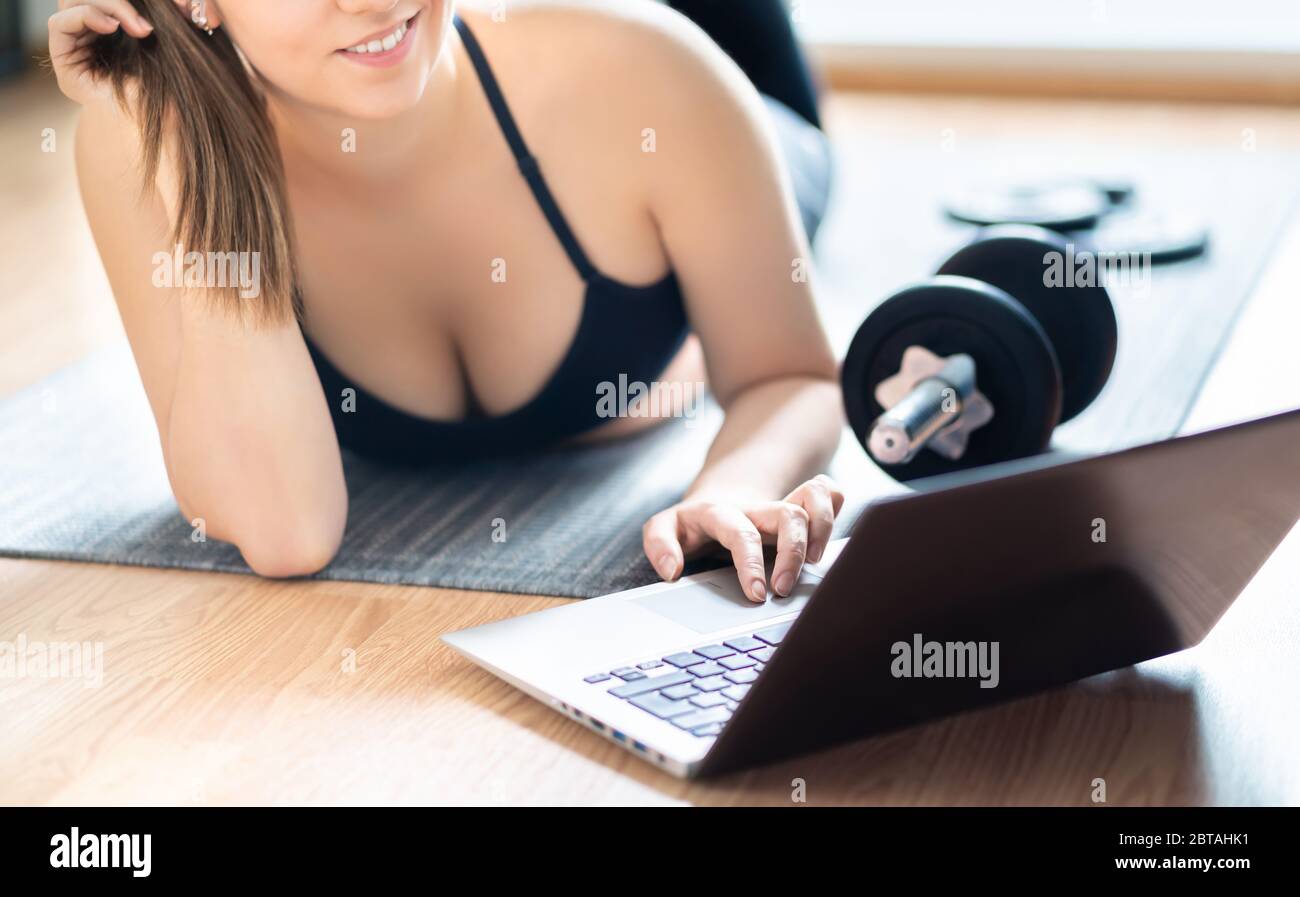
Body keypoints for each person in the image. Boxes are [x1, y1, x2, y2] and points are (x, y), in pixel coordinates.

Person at [49, 0, 845, 601]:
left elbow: (793, 376)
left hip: (746, 114)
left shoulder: (645, 74)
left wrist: (734, 483)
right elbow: (285, 530)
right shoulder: (144, 135)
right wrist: (181, 131)